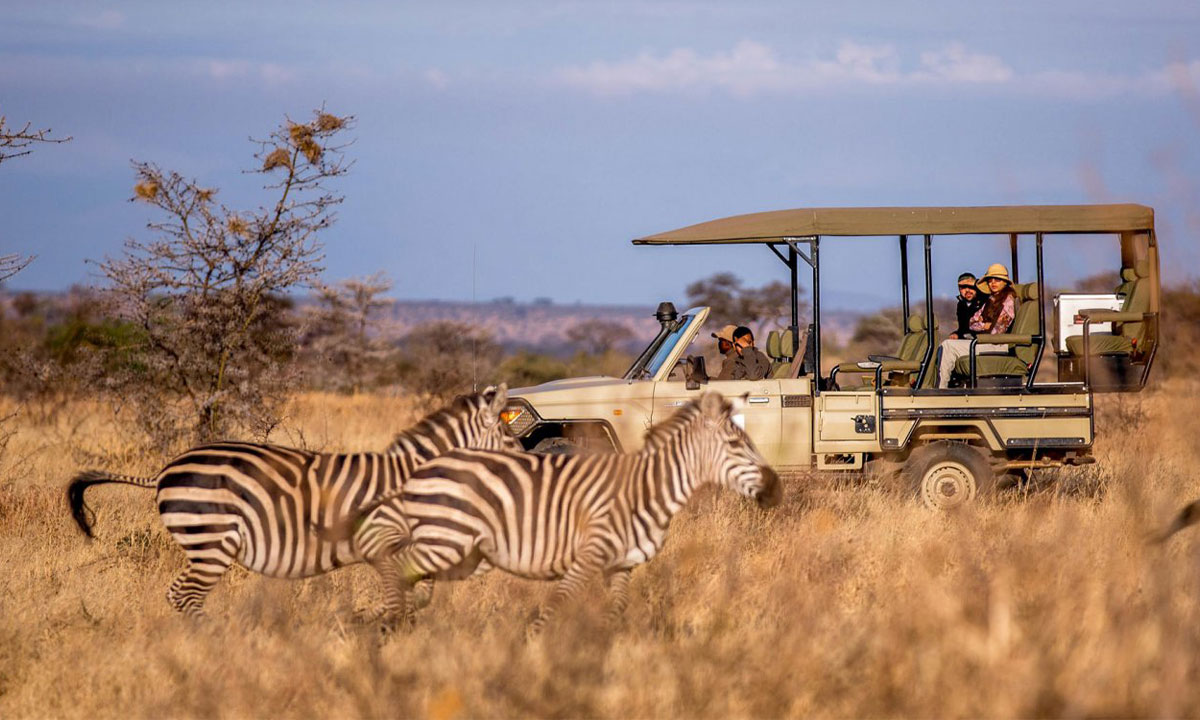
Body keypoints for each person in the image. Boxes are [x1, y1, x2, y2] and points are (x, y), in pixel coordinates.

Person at [935, 264, 1019, 388]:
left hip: (998, 344)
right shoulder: (992, 299)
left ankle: (940, 390)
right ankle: (942, 386)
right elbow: (972, 323)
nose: (993, 283)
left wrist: (982, 324)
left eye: (997, 280)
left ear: (1005, 282)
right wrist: (984, 325)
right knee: (945, 345)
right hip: (986, 341)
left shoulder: (1008, 301)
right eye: (990, 280)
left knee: (948, 346)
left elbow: (996, 331)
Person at [948, 272, 984, 340]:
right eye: (963, 287)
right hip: (969, 340)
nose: (967, 290)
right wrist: (957, 334)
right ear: (959, 289)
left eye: (971, 287)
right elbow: (963, 328)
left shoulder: (984, 300)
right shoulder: (961, 305)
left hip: (982, 339)